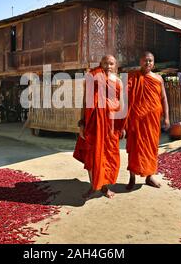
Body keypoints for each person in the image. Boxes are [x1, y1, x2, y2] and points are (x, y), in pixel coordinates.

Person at [73, 55, 123, 199]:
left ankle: (105, 187)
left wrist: (122, 126)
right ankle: (93, 186)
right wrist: (82, 123)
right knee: (92, 156)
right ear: (100, 64)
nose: (108, 66)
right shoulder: (91, 79)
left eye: (111, 63)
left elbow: (121, 105)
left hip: (111, 127)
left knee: (108, 157)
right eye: (105, 63)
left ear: (115, 66)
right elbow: (85, 102)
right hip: (93, 125)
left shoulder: (118, 82)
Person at [124, 51, 170, 190]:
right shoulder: (132, 77)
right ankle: (132, 178)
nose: (147, 63)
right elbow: (124, 98)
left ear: (153, 63)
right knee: (134, 148)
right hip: (135, 119)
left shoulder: (158, 79)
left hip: (152, 120)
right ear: (140, 62)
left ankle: (150, 176)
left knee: (151, 148)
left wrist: (167, 117)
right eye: (145, 60)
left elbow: (163, 98)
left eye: (150, 60)